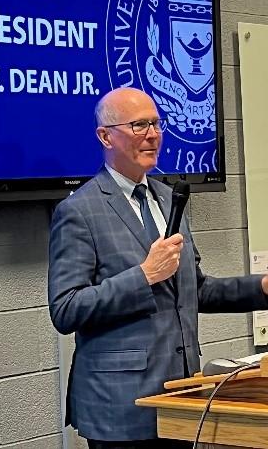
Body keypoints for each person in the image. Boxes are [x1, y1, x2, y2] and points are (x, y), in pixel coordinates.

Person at [48, 87, 268, 449]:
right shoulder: (79, 211)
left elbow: (197, 291)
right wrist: (143, 275)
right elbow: (66, 308)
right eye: (138, 125)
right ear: (105, 136)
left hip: (181, 399)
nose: (152, 134)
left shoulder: (169, 199)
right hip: (120, 408)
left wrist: (261, 287)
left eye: (155, 123)